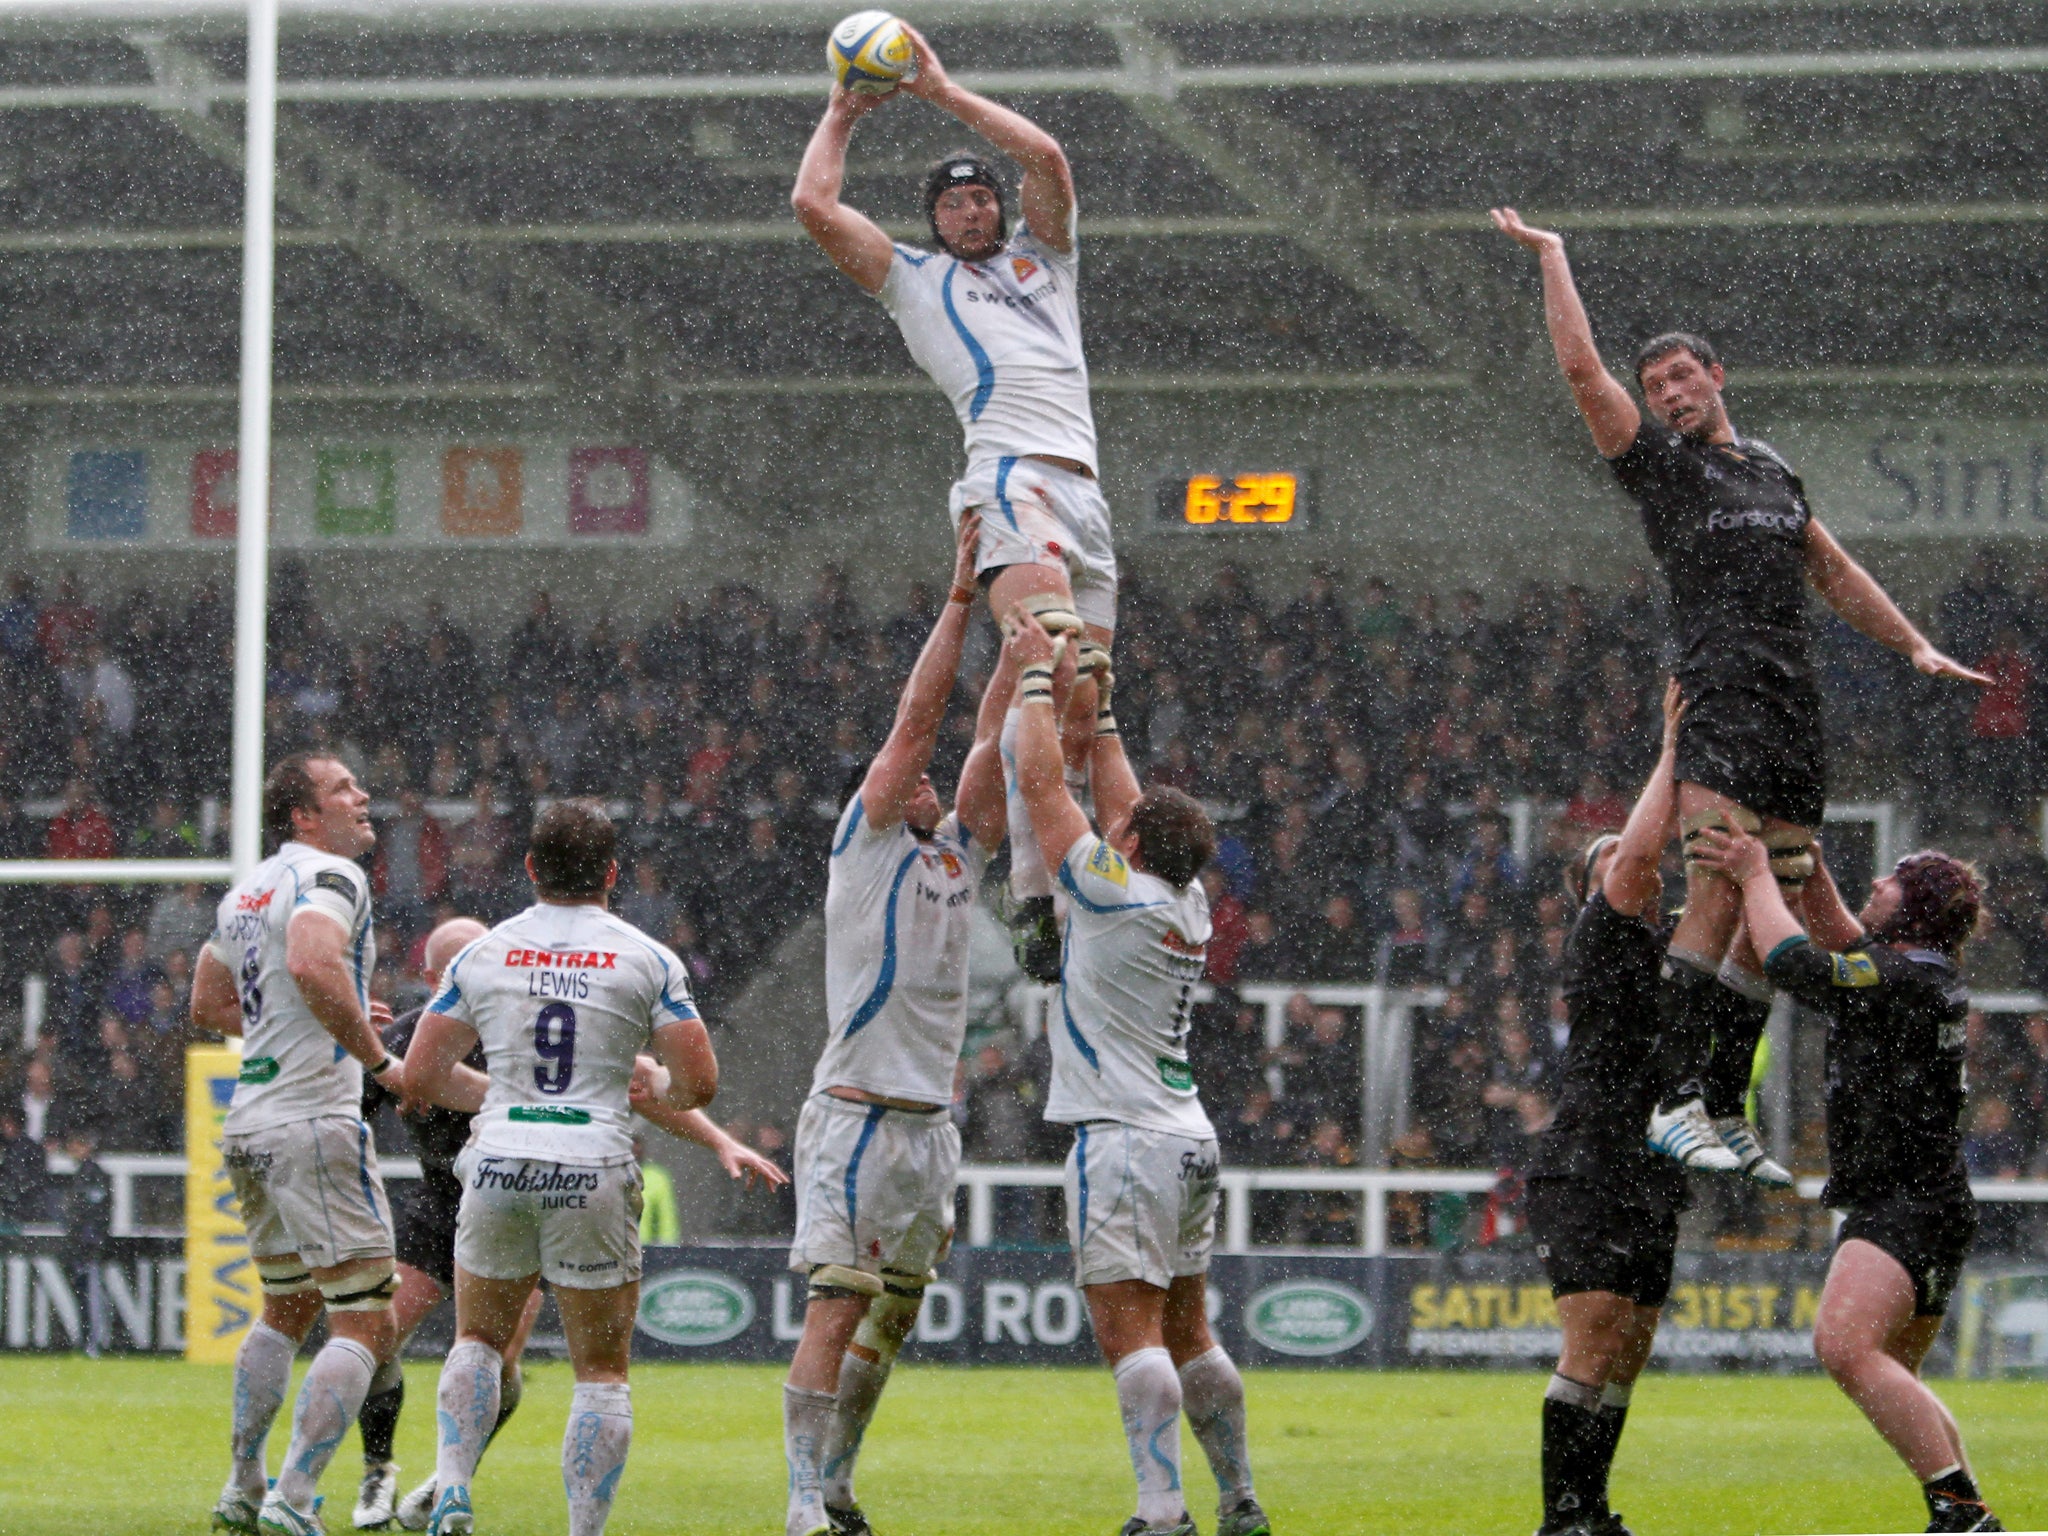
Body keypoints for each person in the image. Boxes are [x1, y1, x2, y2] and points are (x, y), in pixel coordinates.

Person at [1490, 207, 1989, 1174]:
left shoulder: (1770, 471)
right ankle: (1674, 1098)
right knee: (1721, 877)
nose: (1669, 391)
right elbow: (1582, 373)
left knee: (1784, 899)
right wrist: (1554, 259)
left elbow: (1835, 572)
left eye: (1683, 375)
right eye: (1656, 383)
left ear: (1718, 378)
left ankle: (1721, 1105)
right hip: (1718, 692)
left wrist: (1916, 645)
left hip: (1792, 703)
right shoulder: (1663, 471)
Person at [792, 26, 1116, 982]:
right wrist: (845, 110)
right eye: (954, 201)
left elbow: (1047, 157)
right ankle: (1036, 895)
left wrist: (941, 89)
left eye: (982, 197)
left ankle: (1025, 869)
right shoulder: (916, 281)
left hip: (1088, 496)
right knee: (1047, 664)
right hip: (1010, 479)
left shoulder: (1045, 263)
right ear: (933, 218)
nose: (973, 209)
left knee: (1081, 708)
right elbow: (812, 202)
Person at [356, 917, 786, 1532]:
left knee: (486, 1350)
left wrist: (718, 1141)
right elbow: (669, 1083)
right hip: (512, 1190)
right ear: (432, 977)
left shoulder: (498, 1011)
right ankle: (382, 1469)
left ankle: (450, 1483)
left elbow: (420, 1079)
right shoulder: (454, 1019)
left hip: (495, 1179)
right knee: (584, 1367)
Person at [1005, 607, 1268, 1536]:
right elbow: (1128, 805)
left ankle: (1162, 1514)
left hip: (1121, 1139)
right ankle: (1240, 1497)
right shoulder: (1186, 899)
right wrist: (1103, 707)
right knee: (1193, 1330)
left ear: (1137, 849)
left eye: (1123, 830)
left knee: (1133, 1336)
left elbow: (1041, 788)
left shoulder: (1113, 897)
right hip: (1187, 1137)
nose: (1110, 829)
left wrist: (1038, 677)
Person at [399, 799, 720, 1536]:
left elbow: (421, 1075)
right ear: (612, 872)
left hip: (503, 1159)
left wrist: (498, 1095)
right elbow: (699, 1083)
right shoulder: (647, 956)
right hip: (594, 1164)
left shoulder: (484, 952)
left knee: (476, 1339)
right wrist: (655, 1087)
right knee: (600, 1370)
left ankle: (452, 1493)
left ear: (530, 869)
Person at [783, 517, 1009, 1536]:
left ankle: (835, 1481)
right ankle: (797, 1504)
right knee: (836, 1303)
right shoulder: (866, 843)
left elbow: (991, 745)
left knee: (896, 1310)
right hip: (859, 1115)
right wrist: (962, 600)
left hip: (931, 1121)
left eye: (928, 778)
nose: (921, 777)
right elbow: (920, 719)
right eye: (908, 772)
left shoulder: (956, 856)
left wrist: (1027, 646)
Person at [1693, 829, 2002, 1533]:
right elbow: (1849, 944)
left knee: (1844, 1348)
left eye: (1892, 880)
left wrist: (1755, 875)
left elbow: (1797, 964)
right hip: (1926, 1201)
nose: (1877, 885)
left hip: (1907, 1203)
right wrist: (1815, 872)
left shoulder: (1904, 980)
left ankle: (1961, 1512)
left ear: (1916, 907)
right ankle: (1966, 1512)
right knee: (1892, 1372)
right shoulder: (1915, 972)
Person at [191, 754, 401, 1536]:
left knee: (287, 1304)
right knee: (367, 1321)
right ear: (305, 816)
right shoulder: (333, 877)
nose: (363, 795)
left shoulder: (246, 888)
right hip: (314, 1118)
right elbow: (313, 960)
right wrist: (380, 1059)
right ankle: (295, 1497)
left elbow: (208, 1000)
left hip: (250, 1119)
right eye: (343, 787)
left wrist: (303, 1018)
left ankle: (244, 1485)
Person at [1522, 680, 1695, 1536]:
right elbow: (1636, 855)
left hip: (1652, 1165)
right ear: (1590, 888)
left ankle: (1591, 1508)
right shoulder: (1600, 934)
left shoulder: (1676, 948)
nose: (1631, 863)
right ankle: (1561, 1520)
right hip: (1589, 1157)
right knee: (1593, 1338)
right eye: (1610, 859)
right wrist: (1673, 753)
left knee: (1630, 1345)